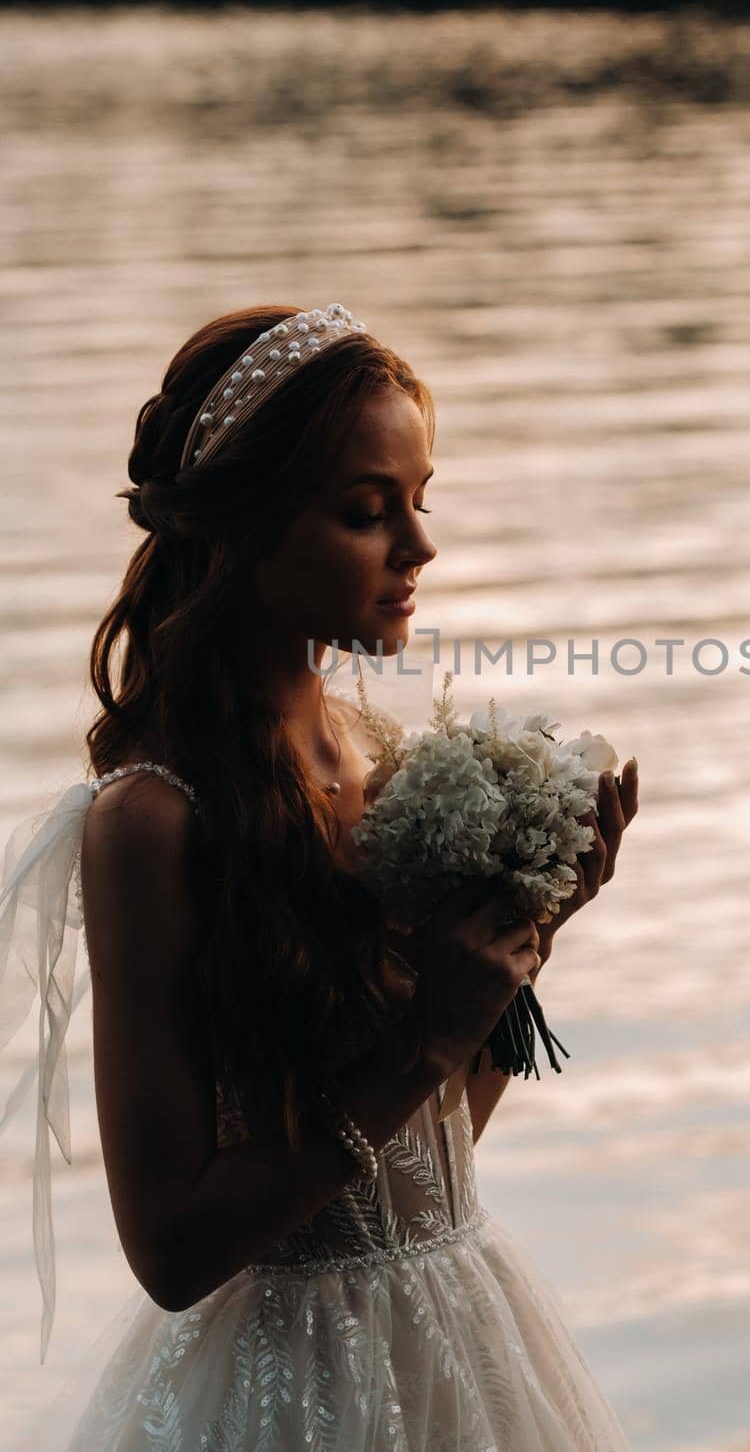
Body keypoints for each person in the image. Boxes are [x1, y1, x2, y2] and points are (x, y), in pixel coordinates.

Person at [0, 302, 639, 1450]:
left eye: (418, 501)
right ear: (244, 530)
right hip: (294, 1383)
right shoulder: (154, 819)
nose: (419, 548)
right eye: (364, 511)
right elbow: (172, 1253)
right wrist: (424, 1041)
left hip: (463, 1329)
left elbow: (427, 1153)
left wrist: (526, 938)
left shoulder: (372, 762)